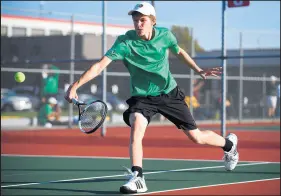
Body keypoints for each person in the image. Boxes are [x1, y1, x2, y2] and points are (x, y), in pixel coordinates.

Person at [64, 2, 239, 194]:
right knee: (136, 128)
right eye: (135, 20)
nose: (138, 24)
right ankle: (138, 177)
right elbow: (98, 66)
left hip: (168, 93)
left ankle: (229, 145)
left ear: (152, 22)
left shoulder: (165, 35)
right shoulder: (124, 42)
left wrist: (198, 70)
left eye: (142, 20)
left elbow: (179, 52)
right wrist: (75, 85)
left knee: (196, 137)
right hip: (142, 98)